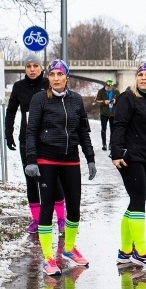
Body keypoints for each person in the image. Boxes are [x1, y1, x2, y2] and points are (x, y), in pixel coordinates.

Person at [25, 59, 96, 276]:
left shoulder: (76, 100)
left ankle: (68, 249)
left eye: (60, 74)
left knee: (74, 207)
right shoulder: (39, 99)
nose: (56, 78)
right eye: (52, 74)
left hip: (71, 159)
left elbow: (83, 131)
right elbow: (31, 130)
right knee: (47, 207)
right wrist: (31, 159)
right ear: (49, 77)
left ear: (67, 76)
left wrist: (90, 157)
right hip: (46, 159)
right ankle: (48, 258)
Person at [110, 62, 146, 269]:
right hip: (129, 157)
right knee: (138, 201)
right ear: (136, 78)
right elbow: (119, 125)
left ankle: (125, 251)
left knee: (136, 201)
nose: (143, 78)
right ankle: (141, 251)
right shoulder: (128, 98)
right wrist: (115, 152)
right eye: (140, 74)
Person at [5, 54, 66, 235]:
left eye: (36, 66)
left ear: (41, 68)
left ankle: (61, 219)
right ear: (25, 69)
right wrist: (9, 135)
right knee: (31, 181)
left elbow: (62, 109)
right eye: (28, 66)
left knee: (53, 180)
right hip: (26, 139)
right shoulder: (19, 87)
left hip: (48, 140)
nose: (32, 69)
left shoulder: (49, 83)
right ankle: (36, 220)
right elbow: (11, 112)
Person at [95, 79, 120, 151]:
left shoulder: (116, 91)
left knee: (113, 130)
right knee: (103, 129)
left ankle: (110, 145)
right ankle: (104, 144)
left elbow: (121, 101)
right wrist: (104, 102)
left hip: (113, 113)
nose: (109, 88)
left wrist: (116, 101)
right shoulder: (101, 91)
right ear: (105, 86)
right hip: (104, 113)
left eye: (111, 87)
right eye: (108, 87)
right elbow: (97, 101)